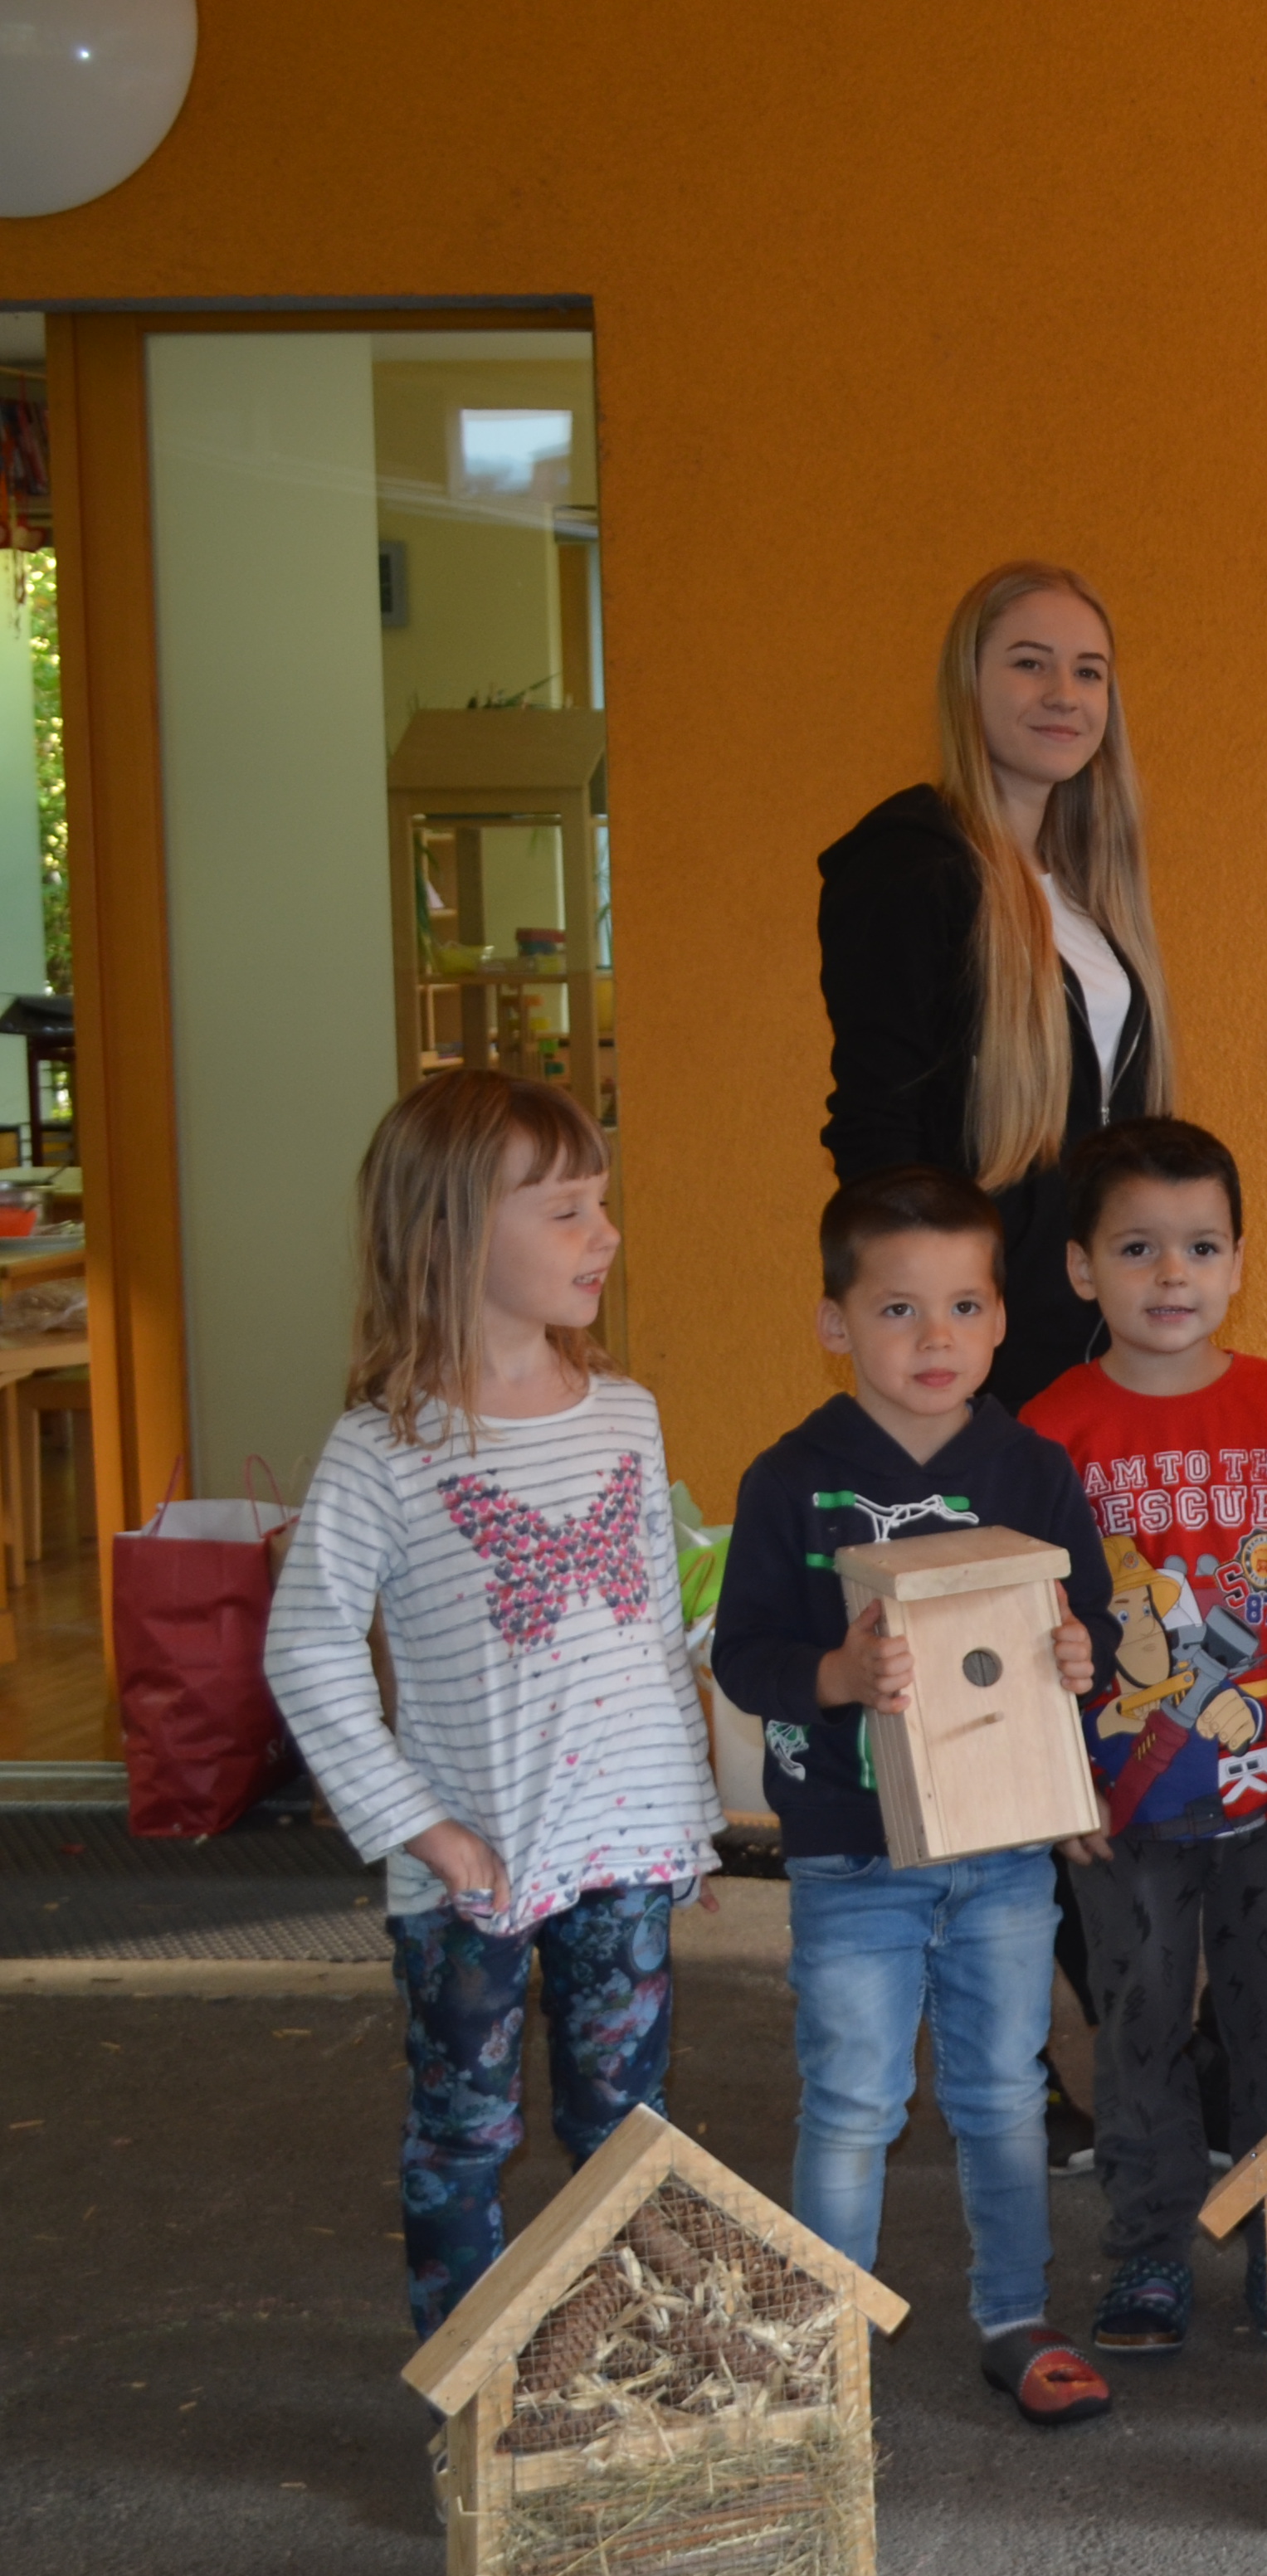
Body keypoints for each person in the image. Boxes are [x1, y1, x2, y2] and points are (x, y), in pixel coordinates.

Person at [263, 1074, 721, 2332]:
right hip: (473, 1871)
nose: (606, 1235)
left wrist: (686, 1826)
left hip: (622, 1857)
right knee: (467, 2132)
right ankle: (470, 2396)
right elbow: (306, 1647)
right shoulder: (385, 1447)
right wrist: (422, 1827)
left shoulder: (627, 1418)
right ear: (453, 1233)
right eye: (569, 1211)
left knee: (626, 2129)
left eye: (602, 1204)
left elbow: (654, 1627)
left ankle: (625, 2367)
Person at [710, 1167, 1119, 2427]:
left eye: (963, 1307)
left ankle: (1014, 2315)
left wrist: (1078, 1660)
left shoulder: (1033, 1470)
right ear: (835, 1324)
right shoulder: (795, 1479)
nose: (934, 1339)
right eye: (896, 1312)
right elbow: (744, 1655)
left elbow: (1087, 1619)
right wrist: (835, 1671)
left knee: (1002, 2090)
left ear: (1002, 1320)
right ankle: (821, 2330)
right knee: (855, 2097)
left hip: (999, 1848)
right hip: (849, 1850)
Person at [1016, 1118, 1267, 2356]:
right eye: (1140, 1248)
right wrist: (1057, 1788)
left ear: (1240, 1262)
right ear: (1079, 1270)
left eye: (1201, 1247)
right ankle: (1148, 2253)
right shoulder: (1048, 1434)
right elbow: (1022, 1628)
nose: (1172, 1276)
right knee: (1139, 2026)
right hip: (1120, 1810)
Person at [818, 561, 1173, 1412]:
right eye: (1028, 663)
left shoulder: (1089, 889)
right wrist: (926, 1326)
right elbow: (877, 1130)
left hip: (1102, 1340)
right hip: (988, 1353)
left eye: (1088, 672)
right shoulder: (909, 867)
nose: (1063, 693)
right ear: (965, 686)